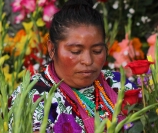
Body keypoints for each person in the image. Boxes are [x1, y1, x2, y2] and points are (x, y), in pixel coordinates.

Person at [8, 0, 139, 132]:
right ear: (52, 49)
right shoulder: (32, 98)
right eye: (76, 51)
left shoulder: (119, 84)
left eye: (97, 51)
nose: (88, 61)